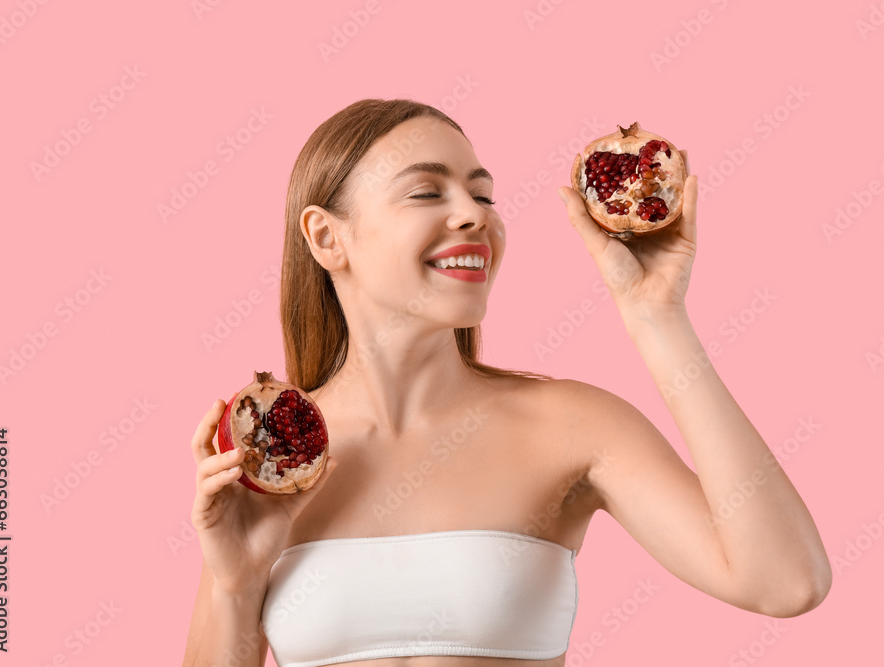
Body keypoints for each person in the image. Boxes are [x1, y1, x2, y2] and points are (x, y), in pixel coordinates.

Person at [181, 98, 831, 667]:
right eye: (427, 192)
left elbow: (786, 581)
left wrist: (656, 319)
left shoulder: (573, 425)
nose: (474, 216)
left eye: (483, 193)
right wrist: (234, 582)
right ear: (328, 237)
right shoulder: (267, 467)